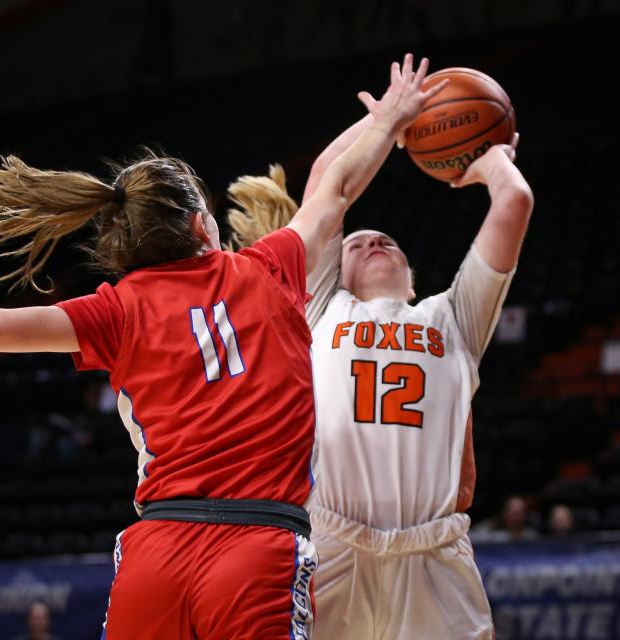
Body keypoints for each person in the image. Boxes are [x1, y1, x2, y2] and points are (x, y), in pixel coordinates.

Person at [0, 54, 444, 639]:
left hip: (157, 548)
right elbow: (335, 186)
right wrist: (390, 118)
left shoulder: (116, 310)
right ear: (201, 225)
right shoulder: (266, 268)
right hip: (257, 543)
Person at [227, 106, 532, 638]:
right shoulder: (321, 310)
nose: (371, 241)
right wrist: (390, 121)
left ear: (413, 281)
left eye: (386, 241)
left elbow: (515, 201)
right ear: (330, 272)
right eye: (354, 242)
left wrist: (493, 161)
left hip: (432, 552)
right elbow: (329, 179)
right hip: (332, 543)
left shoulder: (453, 318)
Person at [470, 495, 540, 544]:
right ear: (505, 514)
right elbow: (471, 538)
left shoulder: (531, 536)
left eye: (520, 512)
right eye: (513, 512)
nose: (516, 517)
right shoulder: (495, 537)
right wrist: (488, 525)